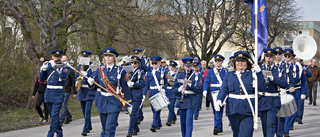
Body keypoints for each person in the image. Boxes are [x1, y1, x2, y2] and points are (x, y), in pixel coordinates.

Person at [215, 51, 266, 137]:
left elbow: (262, 88)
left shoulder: (253, 74)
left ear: (247, 62)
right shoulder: (229, 75)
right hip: (233, 109)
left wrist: (259, 73)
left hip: (249, 110)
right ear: (234, 62)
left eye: (243, 61)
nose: (240, 63)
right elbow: (224, 89)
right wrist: (219, 99)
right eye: (238, 61)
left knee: (245, 134)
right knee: (236, 134)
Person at [87, 47, 132, 137]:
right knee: (104, 128)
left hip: (114, 101)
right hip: (102, 101)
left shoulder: (120, 70)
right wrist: (90, 82)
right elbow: (93, 86)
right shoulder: (99, 70)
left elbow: (125, 87)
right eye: (106, 56)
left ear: (114, 58)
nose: (107, 58)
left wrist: (128, 102)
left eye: (110, 56)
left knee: (110, 128)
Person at [259, 48, 288, 137]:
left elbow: (284, 84)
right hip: (263, 100)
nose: (269, 59)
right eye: (267, 56)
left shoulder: (279, 70)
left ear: (274, 57)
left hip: (273, 100)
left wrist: (273, 79)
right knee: (264, 125)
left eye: (271, 56)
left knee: (270, 124)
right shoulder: (260, 69)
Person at [40, 50, 69, 137]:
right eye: (55, 57)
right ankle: (59, 133)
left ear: (61, 57)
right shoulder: (49, 66)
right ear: (52, 57)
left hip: (58, 93)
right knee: (53, 116)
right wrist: (43, 69)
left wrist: (59, 69)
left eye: (59, 57)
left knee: (55, 115)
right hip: (49, 93)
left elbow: (63, 77)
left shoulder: (64, 66)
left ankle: (50, 134)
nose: (57, 58)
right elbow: (42, 79)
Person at [173, 57, 202, 137]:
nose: (188, 68)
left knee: (189, 122)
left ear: (192, 65)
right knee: (183, 123)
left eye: (189, 66)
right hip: (182, 101)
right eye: (186, 66)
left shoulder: (196, 75)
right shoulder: (179, 75)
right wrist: (179, 89)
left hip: (191, 101)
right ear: (183, 66)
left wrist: (190, 85)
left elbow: (199, 89)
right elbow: (174, 89)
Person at [203, 54, 228, 135]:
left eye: (219, 61)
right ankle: (219, 127)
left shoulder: (226, 71)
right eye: (216, 61)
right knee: (215, 110)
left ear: (222, 62)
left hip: (222, 92)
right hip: (213, 93)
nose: (217, 62)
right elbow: (207, 81)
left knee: (219, 110)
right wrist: (205, 90)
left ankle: (216, 127)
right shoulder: (210, 71)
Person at [142, 55, 168, 132]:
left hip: (159, 92)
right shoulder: (149, 73)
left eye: (155, 63)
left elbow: (167, 83)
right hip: (151, 92)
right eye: (152, 63)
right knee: (153, 109)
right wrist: (144, 94)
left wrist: (163, 89)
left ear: (159, 63)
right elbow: (146, 84)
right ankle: (158, 123)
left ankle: (154, 125)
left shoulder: (163, 71)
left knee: (157, 109)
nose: (154, 65)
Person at [76, 50, 96, 136]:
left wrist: (87, 74)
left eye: (87, 56)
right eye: (84, 57)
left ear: (90, 56)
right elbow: (76, 77)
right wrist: (76, 83)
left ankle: (85, 128)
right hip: (81, 91)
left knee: (88, 110)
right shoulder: (79, 66)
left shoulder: (93, 66)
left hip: (89, 91)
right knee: (84, 110)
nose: (85, 58)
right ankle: (89, 125)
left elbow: (94, 77)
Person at [127, 56, 145, 137]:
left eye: (135, 63)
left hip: (136, 95)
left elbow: (142, 84)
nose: (133, 64)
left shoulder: (140, 72)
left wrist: (133, 84)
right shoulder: (127, 71)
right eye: (132, 62)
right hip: (128, 95)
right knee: (131, 114)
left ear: (138, 64)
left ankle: (130, 131)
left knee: (133, 113)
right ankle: (136, 128)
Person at [59, 56, 77, 127]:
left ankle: (61, 120)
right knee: (61, 104)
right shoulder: (59, 68)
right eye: (62, 61)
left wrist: (74, 92)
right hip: (60, 89)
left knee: (63, 104)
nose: (63, 62)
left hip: (67, 89)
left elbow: (73, 82)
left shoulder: (70, 70)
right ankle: (69, 116)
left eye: (64, 61)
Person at [296, 59, 312, 124]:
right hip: (295, 86)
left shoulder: (304, 67)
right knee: (295, 104)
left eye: (300, 60)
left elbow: (309, 75)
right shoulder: (293, 66)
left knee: (300, 103)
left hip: (302, 85)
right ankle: (294, 117)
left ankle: (299, 117)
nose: (300, 62)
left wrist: (304, 70)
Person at [165, 60, 178, 126]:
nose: (171, 68)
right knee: (168, 106)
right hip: (167, 91)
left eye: (173, 67)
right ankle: (174, 117)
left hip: (173, 91)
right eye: (170, 66)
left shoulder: (176, 74)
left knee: (171, 106)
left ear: (175, 67)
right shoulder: (166, 73)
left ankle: (169, 120)